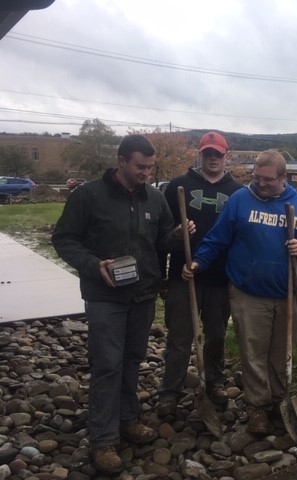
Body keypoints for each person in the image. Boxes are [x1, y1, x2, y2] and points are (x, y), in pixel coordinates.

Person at [51, 134, 191, 474]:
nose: (146, 172)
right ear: (121, 161)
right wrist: (92, 265)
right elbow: (63, 239)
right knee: (107, 364)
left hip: (142, 294)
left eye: (150, 167)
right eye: (140, 167)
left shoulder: (156, 198)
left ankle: (128, 419)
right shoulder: (88, 196)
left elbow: (160, 242)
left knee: (132, 360)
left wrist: (176, 236)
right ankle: (102, 439)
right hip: (105, 297)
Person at [182, 149, 297, 435]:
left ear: (283, 177)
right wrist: (198, 261)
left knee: (281, 353)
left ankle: (279, 401)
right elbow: (217, 239)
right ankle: (257, 406)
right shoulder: (240, 201)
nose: (259, 183)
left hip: (289, 293)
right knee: (253, 353)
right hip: (249, 293)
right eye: (255, 177)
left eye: (267, 179)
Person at [157, 131, 242, 417]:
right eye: (208, 153)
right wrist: (175, 236)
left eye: (218, 154)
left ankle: (215, 381)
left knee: (216, 335)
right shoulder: (178, 186)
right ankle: (170, 390)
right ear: (200, 154)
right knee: (180, 337)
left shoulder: (237, 192)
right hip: (184, 275)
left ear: (226, 155)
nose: (213, 159)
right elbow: (161, 236)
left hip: (219, 278)